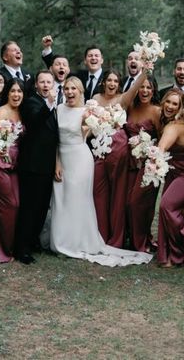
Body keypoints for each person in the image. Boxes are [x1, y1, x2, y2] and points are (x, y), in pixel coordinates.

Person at [49, 76, 151, 266]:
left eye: (74, 89)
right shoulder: (58, 110)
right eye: (67, 89)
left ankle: (78, 241)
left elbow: (103, 131)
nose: (70, 92)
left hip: (80, 159)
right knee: (61, 199)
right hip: (61, 159)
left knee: (77, 199)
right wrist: (56, 163)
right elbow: (55, 139)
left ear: (80, 92)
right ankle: (61, 240)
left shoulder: (87, 112)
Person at [91, 67, 147, 247]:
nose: (112, 84)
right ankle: (100, 236)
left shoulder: (122, 99)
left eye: (116, 81)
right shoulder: (94, 100)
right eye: (109, 80)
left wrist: (145, 70)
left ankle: (116, 239)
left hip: (119, 149)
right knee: (98, 193)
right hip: (99, 149)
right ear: (103, 82)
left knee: (118, 195)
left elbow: (136, 86)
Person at [15, 70, 58, 264]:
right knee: (29, 208)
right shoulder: (31, 102)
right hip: (32, 165)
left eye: (49, 82)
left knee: (41, 207)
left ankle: (32, 241)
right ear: (36, 85)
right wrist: (49, 103)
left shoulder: (57, 105)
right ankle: (21, 248)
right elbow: (34, 122)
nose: (46, 85)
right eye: (43, 82)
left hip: (47, 164)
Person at [156, 90, 184, 268]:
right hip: (174, 172)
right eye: (168, 102)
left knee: (167, 205)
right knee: (167, 209)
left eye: (175, 104)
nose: (170, 106)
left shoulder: (175, 126)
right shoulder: (171, 122)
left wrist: (153, 155)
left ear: (181, 107)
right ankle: (169, 256)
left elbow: (161, 147)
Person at [0, 78, 25, 263]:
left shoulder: (22, 112)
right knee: (9, 204)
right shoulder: (2, 111)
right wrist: (4, 149)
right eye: (13, 91)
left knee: (16, 203)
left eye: (19, 91)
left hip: (15, 164)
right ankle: (3, 250)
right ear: (7, 93)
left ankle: (7, 244)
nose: (16, 95)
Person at [125, 77, 161, 252]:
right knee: (127, 202)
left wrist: (151, 154)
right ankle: (133, 238)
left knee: (138, 202)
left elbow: (163, 139)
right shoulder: (131, 107)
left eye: (149, 87)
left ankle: (142, 242)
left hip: (150, 165)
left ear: (154, 91)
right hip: (130, 163)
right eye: (142, 87)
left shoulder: (156, 111)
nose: (145, 90)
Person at [42, 36, 104, 101]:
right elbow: (58, 70)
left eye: (96, 56)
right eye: (90, 56)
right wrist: (47, 48)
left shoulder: (108, 78)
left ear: (102, 60)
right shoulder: (78, 76)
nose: (93, 58)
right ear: (85, 61)